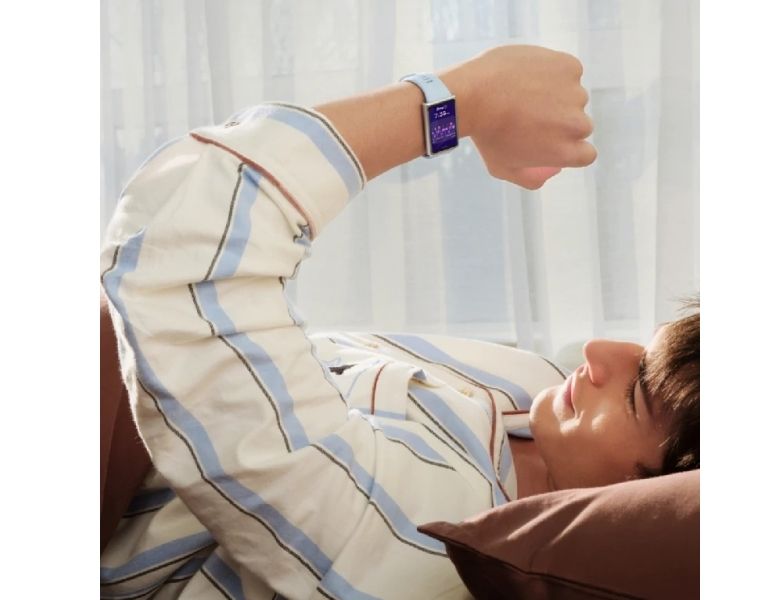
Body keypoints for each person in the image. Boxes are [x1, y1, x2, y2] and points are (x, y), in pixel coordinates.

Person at [99, 44, 699, 599]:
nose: (597, 351)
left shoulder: (422, 546)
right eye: (641, 352)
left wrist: (456, 103)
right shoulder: (533, 388)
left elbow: (182, 257)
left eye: (638, 395)